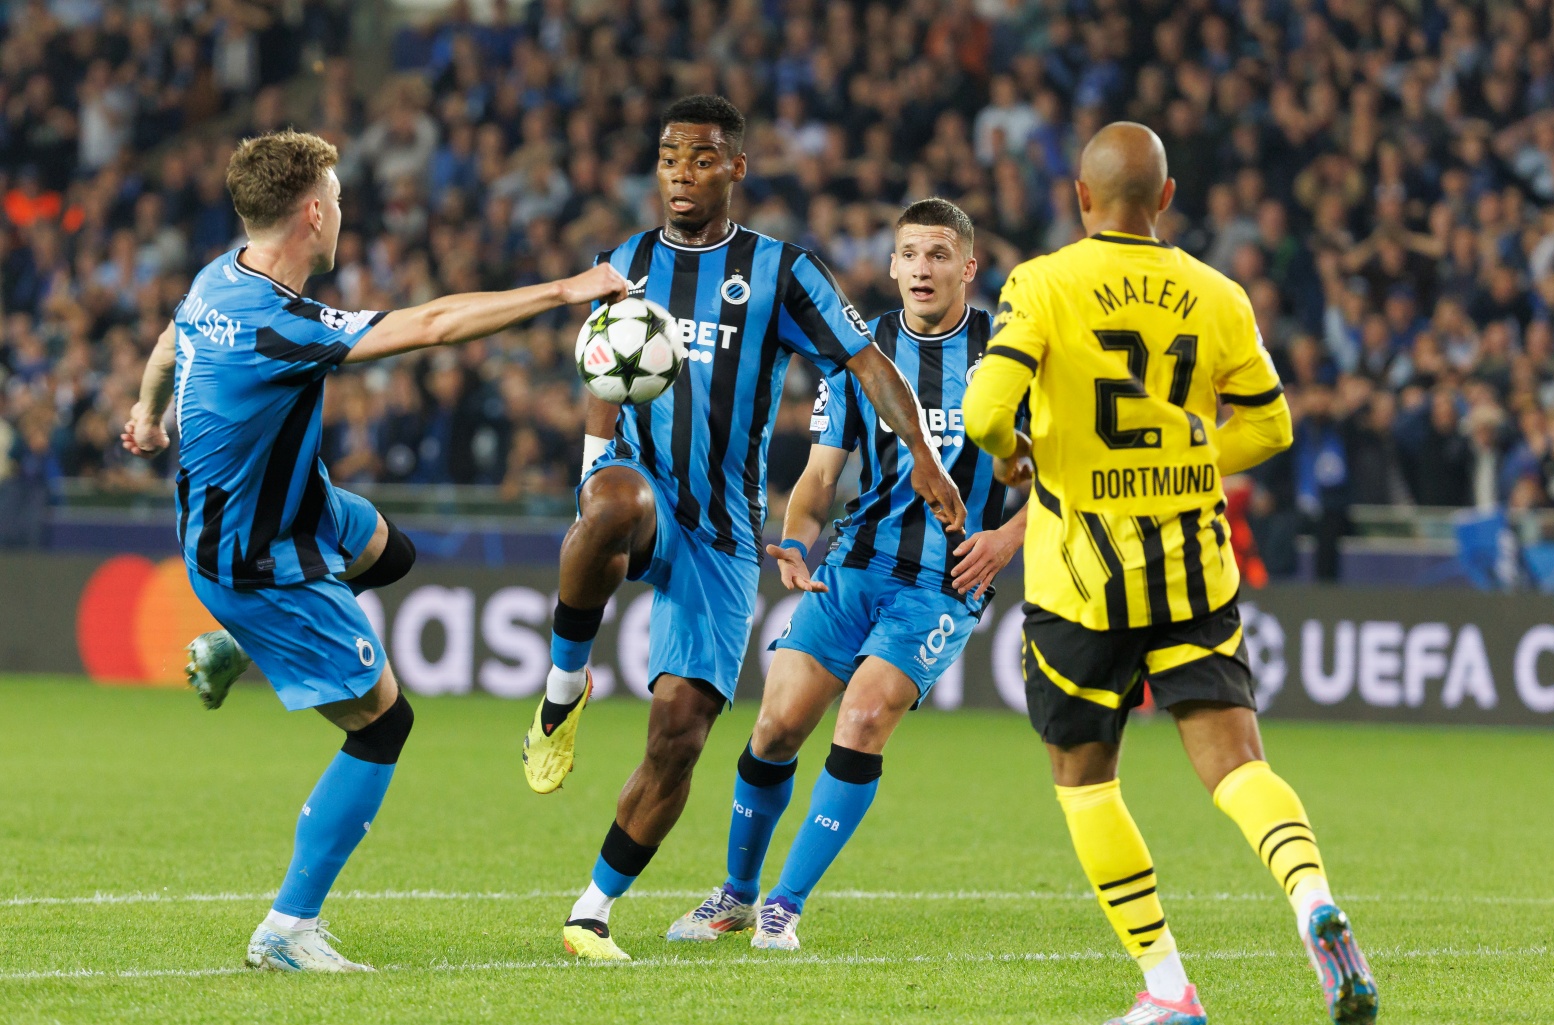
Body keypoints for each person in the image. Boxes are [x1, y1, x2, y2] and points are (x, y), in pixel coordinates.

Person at [120, 130, 628, 972]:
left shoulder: (220, 277)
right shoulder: (280, 323)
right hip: (253, 558)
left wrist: (147, 415)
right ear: (314, 214)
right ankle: (288, 930)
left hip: (294, 507)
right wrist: (569, 289)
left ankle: (233, 648)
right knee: (384, 721)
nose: (344, 215)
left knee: (392, 559)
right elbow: (431, 325)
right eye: (341, 200)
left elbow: (173, 340)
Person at [518, 95, 966, 962]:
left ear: (736, 169)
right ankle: (562, 691)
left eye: (702, 157)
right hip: (641, 488)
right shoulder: (624, 260)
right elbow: (602, 369)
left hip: (722, 527)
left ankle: (592, 910)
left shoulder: (783, 272)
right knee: (610, 505)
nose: (682, 172)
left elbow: (866, 360)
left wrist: (920, 450)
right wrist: (588, 469)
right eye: (668, 157)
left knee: (680, 734)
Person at [963, 122, 1378, 1025]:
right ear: (1166, 196)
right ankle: (1312, 900)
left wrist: (1022, 456)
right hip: (1192, 569)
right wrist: (1195, 454)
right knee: (1237, 765)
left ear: (1080, 197)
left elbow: (986, 410)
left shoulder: (1042, 283)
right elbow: (1270, 431)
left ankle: (1168, 985)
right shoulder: (1219, 293)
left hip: (1082, 580)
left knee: (1085, 779)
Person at [664, 198, 1027, 950]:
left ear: (968, 267)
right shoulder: (863, 353)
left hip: (943, 582)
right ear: (891, 266)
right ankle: (735, 894)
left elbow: (1065, 476)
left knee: (863, 719)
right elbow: (820, 479)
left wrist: (1006, 538)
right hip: (855, 567)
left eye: (937, 255)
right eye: (909, 255)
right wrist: (797, 539)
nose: (922, 269)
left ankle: (784, 905)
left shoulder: (1009, 353)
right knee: (775, 727)